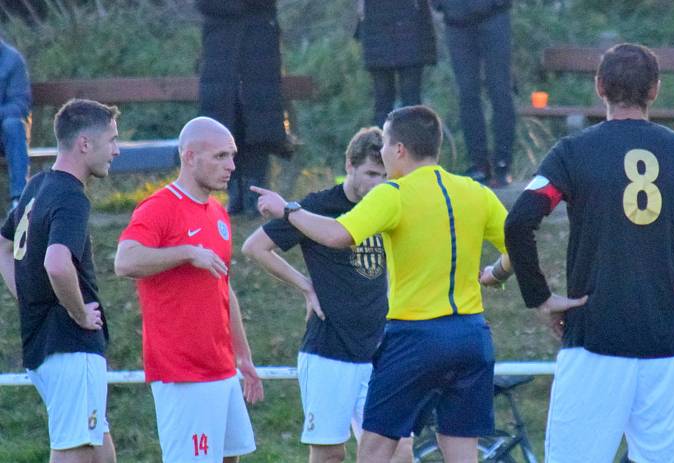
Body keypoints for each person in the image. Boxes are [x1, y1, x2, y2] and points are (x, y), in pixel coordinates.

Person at [504, 43, 674, 463]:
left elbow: (519, 221)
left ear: (599, 88)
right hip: (665, 345)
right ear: (655, 91)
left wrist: (539, 296)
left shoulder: (572, 153)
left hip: (594, 338)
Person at [250, 105, 513, 463]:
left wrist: (288, 210)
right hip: (471, 335)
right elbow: (520, 245)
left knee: (375, 449)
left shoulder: (393, 194)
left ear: (400, 149)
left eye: (386, 145)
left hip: (415, 338)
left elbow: (337, 234)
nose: (384, 154)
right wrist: (496, 273)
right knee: (462, 451)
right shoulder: (475, 191)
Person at [242, 127, 412, 463]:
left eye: (384, 175)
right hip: (329, 350)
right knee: (330, 454)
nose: (378, 183)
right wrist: (305, 285)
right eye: (370, 174)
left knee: (400, 453)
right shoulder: (318, 206)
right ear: (349, 165)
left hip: (380, 349)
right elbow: (255, 247)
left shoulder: (391, 205)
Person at [114, 117, 264, 463]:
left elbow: (223, 286)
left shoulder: (217, 213)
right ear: (190, 156)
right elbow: (125, 260)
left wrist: (243, 355)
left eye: (233, 156)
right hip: (183, 371)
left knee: (230, 457)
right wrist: (186, 252)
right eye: (221, 157)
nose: (231, 166)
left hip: (221, 366)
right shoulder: (159, 208)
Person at [0, 99, 119, 463]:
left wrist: (28, 297)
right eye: (111, 139)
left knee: (101, 452)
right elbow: (56, 263)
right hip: (70, 346)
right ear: (85, 144)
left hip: (47, 344)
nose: (117, 149)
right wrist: (80, 313)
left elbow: (4, 245)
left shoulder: (37, 186)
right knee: (75, 451)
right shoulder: (70, 196)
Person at [196, 0, 292, 217]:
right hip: (221, 46)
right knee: (227, 121)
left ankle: (254, 192)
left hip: (259, 43)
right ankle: (235, 191)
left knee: (259, 123)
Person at [432, 0, 515, 187]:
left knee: (500, 91)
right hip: (456, 21)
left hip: (495, 15)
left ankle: (503, 163)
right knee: (467, 95)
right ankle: (478, 164)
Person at [356, 0, 437, 126]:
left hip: (378, 30)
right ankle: (412, 143)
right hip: (409, 31)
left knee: (383, 104)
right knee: (411, 103)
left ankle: (384, 143)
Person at [0, 37, 31, 209]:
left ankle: (19, 202)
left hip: (5, 137)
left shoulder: (12, 60)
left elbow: (20, 105)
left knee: (13, 125)